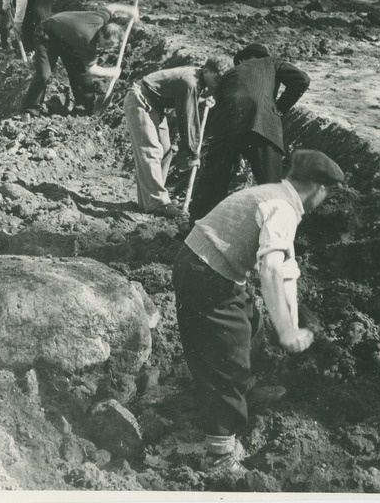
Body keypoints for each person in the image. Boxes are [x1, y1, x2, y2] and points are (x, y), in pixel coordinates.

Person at [173, 149, 345, 474]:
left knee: (250, 326)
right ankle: (219, 454)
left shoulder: (276, 194)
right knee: (227, 358)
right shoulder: (282, 208)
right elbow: (271, 273)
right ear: (320, 189)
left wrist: (290, 322)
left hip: (209, 266)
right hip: (206, 272)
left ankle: (246, 394)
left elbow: (287, 269)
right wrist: (288, 332)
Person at [189, 43, 310, 221]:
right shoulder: (272, 62)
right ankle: (274, 234)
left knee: (212, 181)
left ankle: (195, 226)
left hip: (227, 127)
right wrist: (278, 109)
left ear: (243, 59)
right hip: (263, 126)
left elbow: (220, 110)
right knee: (272, 188)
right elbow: (302, 79)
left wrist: (234, 152)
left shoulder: (229, 74)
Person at [124, 57, 228, 219]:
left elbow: (184, 95)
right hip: (141, 100)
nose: (218, 84)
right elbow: (188, 119)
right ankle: (158, 203)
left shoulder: (196, 79)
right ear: (207, 71)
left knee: (166, 151)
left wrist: (202, 99)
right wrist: (193, 153)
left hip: (155, 106)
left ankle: (151, 200)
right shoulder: (190, 82)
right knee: (151, 151)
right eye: (217, 78)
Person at [22, 1, 139, 115]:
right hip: (47, 33)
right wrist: (112, 72)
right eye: (108, 44)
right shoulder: (88, 41)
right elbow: (93, 69)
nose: (109, 48)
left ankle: (86, 106)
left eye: (113, 45)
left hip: (68, 37)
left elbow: (113, 7)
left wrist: (130, 10)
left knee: (80, 71)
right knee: (44, 74)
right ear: (102, 34)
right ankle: (30, 109)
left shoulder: (101, 18)